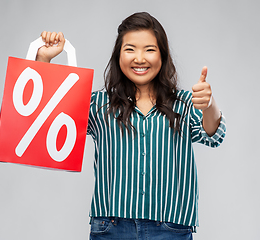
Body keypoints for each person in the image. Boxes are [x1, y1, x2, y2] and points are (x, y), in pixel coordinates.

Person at [36, 12, 226, 240]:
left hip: (171, 230)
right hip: (112, 227)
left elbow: (213, 135)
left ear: (162, 56)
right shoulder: (98, 104)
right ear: (118, 56)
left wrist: (209, 104)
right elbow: (49, 120)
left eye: (149, 49)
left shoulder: (185, 103)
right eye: (130, 49)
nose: (139, 58)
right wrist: (44, 60)